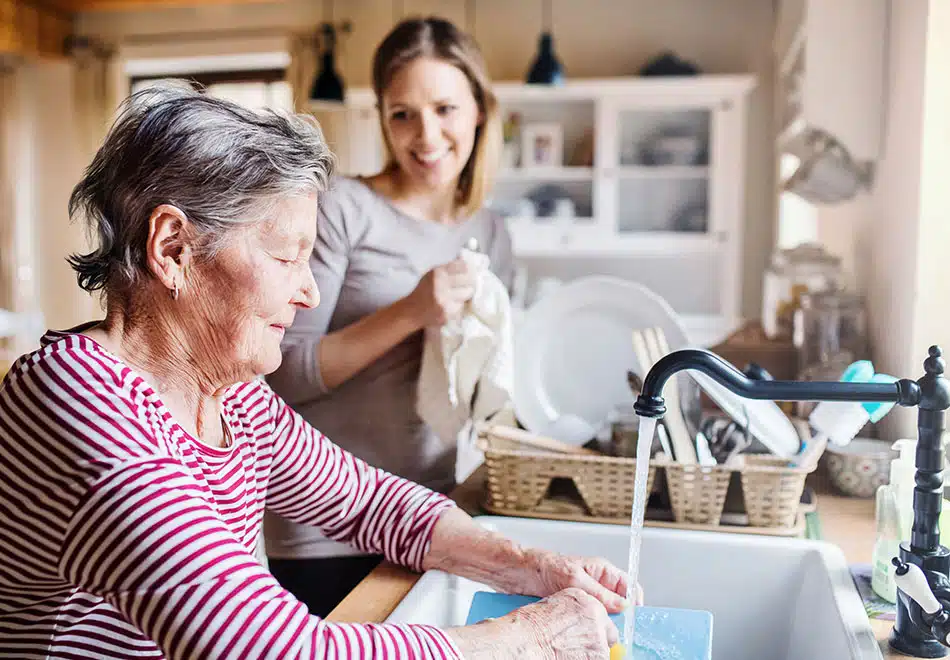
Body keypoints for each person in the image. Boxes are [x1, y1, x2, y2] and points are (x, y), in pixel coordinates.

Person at [0, 83, 639, 659]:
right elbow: (275, 651)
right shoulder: (77, 401)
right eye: (286, 256)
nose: (309, 293)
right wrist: (530, 640)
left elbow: (373, 504)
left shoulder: (233, 396)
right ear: (173, 249)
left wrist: (531, 567)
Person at [264, 16, 516, 616]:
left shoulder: (491, 231)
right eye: (402, 113)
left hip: (432, 511)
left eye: (445, 109)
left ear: (479, 111)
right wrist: (411, 311)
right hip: (323, 527)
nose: (425, 135)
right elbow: (283, 373)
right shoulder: (342, 209)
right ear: (382, 118)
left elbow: (485, 374)